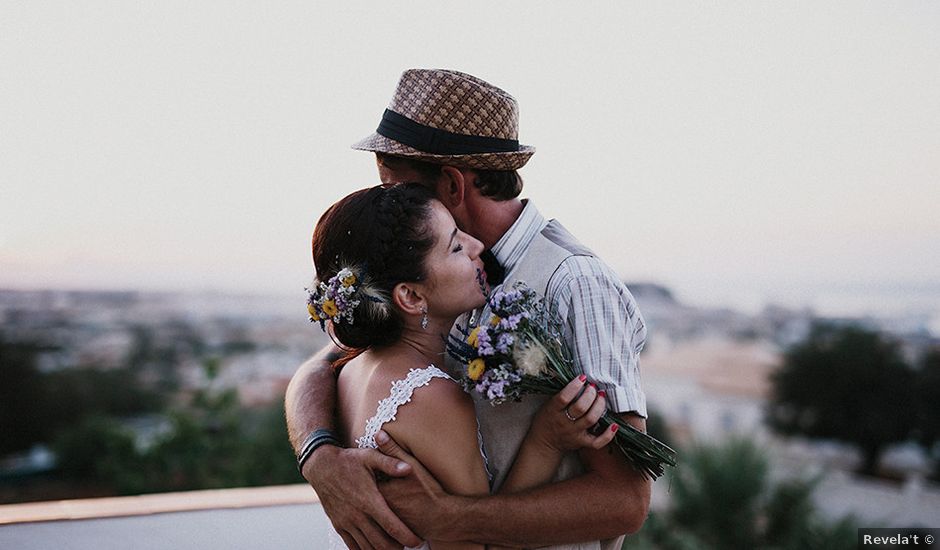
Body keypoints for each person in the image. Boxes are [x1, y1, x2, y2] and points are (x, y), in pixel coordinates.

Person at [286, 69, 652, 550]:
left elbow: (624, 500)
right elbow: (332, 360)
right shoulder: (431, 275)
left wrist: (451, 520)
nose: (391, 204)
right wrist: (320, 457)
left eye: (399, 188)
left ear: (453, 187)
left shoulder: (574, 284)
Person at [307, 184, 617, 550]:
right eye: (455, 246)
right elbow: (483, 545)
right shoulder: (427, 398)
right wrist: (546, 440)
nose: (476, 247)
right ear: (411, 296)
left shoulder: (351, 370)